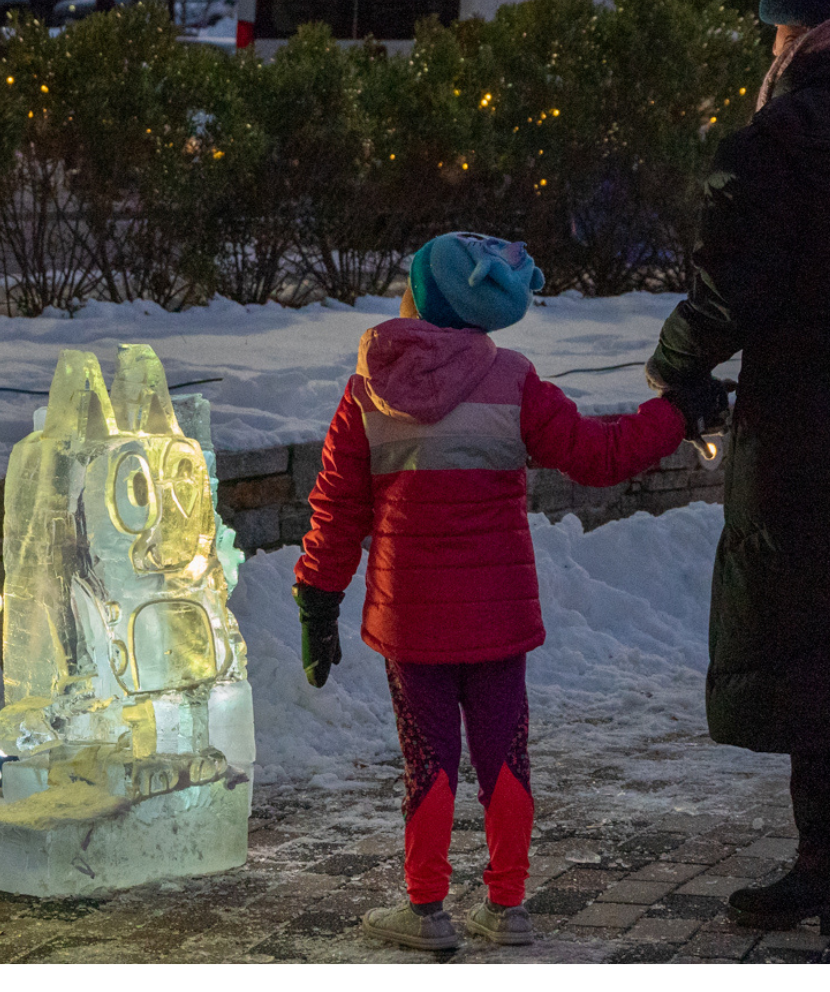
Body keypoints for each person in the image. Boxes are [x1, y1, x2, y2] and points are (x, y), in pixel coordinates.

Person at [294, 231, 688, 951]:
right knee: (505, 755)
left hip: (411, 619)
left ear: (422, 296)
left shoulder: (366, 392)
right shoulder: (513, 381)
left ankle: (425, 910)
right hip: (498, 616)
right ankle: (506, 905)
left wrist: (316, 602)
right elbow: (599, 457)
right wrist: (678, 414)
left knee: (429, 759)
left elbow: (337, 507)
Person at [644, 0, 830, 937]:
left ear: (797, 34)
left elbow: (731, 286)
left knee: (820, 650)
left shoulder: (780, 141)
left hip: (815, 442)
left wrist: (676, 368)